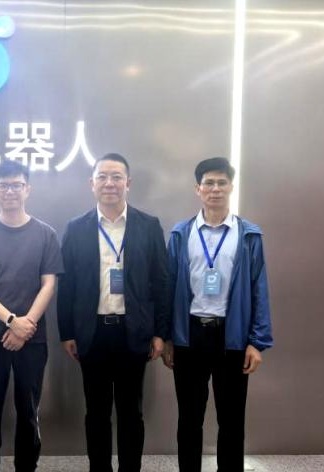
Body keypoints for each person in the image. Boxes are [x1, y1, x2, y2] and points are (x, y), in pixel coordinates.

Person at [57, 153, 169, 472]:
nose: (109, 183)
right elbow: (67, 285)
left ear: (128, 183)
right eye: (102, 177)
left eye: (116, 177)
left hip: (133, 332)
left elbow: (161, 282)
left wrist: (160, 333)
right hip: (92, 332)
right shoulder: (76, 228)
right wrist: (67, 332)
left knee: (131, 412)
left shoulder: (148, 226)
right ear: (91, 184)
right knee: (96, 412)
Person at [162, 157, 273, 472]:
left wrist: (257, 342)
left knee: (232, 420)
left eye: (221, 182)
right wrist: (167, 337)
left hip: (231, 336)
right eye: (208, 183)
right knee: (189, 419)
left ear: (231, 187)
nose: (215, 189)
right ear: (197, 189)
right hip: (189, 335)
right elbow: (168, 287)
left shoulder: (248, 235)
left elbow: (259, 289)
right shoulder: (181, 234)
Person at [0, 160, 63, 472]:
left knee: (28, 410)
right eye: (3, 185)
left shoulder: (46, 234)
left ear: (27, 189)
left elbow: (49, 284)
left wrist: (26, 325)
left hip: (33, 338)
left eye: (16, 185)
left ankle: (26, 466)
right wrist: (11, 322)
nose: (10, 191)